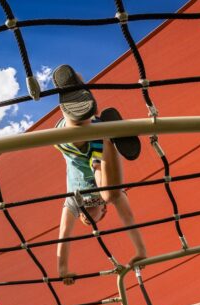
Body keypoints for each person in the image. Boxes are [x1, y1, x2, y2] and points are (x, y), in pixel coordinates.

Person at [52, 64, 147, 285]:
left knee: (75, 130)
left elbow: (64, 234)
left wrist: (62, 268)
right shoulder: (104, 203)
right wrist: (140, 250)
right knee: (112, 194)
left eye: (85, 222)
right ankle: (108, 134)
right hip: (100, 157)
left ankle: (73, 87)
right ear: (103, 213)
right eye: (94, 221)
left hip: (76, 146)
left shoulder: (74, 204)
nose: (87, 220)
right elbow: (128, 219)